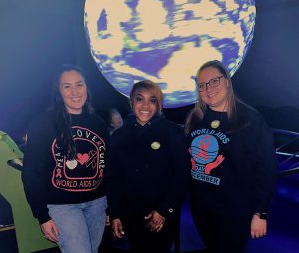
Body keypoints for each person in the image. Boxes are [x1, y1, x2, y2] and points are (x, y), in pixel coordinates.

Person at [185, 60, 278, 253]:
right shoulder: (195, 118)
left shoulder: (250, 120)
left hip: (235, 212)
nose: (208, 89)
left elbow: (267, 170)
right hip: (202, 209)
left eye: (214, 81)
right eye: (202, 85)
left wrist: (260, 213)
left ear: (227, 81)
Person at [22, 64, 109, 253]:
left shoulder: (98, 123)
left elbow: (108, 167)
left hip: (98, 204)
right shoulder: (43, 124)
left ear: (87, 88)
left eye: (79, 84)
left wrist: (111, 207)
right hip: (63, 207)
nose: (75, 91)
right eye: (67, 86)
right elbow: (31, 173)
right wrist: (42, 216)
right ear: (58, 91)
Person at [105, 80, 190, 253]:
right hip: (130, 214)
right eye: (139, 99)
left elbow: (181, 174)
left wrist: (165, 209)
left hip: (162, 213)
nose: (145, 105)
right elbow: (113, 178)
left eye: (152, 100)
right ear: (131, 102)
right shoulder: (119, 137)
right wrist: (114, 214)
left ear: (159, 105)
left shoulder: (172, 132)